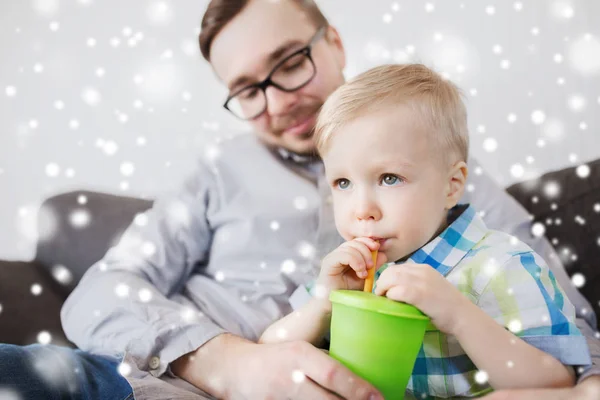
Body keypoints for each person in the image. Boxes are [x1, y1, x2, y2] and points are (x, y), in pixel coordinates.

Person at [0, 0, 598, 399]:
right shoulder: (219, 172)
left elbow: (572, 344)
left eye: (289, 63)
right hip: (168, 382)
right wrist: (225, 364)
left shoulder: (454, 191)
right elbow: (107, 286)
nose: (278, 101)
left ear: (333, 42)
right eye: (246, 90)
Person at [259, 63, 591, 398]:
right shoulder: (352, 273)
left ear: (452, 185)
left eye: (389, 178)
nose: (362, 210)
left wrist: (460, 316)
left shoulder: (503, 266)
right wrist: (325, 304)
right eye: (343, 183)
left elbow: (555, 383)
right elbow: (268, 355)